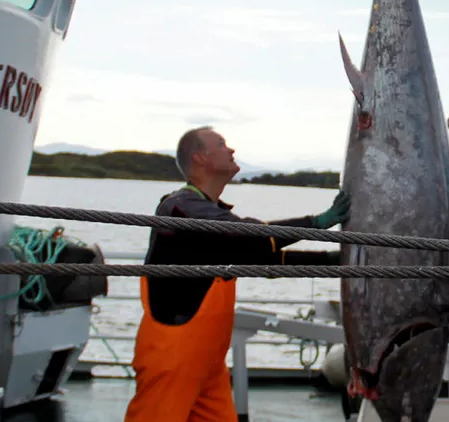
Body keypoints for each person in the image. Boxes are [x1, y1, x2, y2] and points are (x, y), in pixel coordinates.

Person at [123, 126, 350, 422]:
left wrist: (332, 261)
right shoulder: (179, 206)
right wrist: (316, 223)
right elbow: (249, 237)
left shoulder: (209, 211)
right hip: (173, 357)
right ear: (200, 158)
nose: (231, 150)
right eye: (221, 144)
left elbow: (262, 256)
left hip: (209, 363)